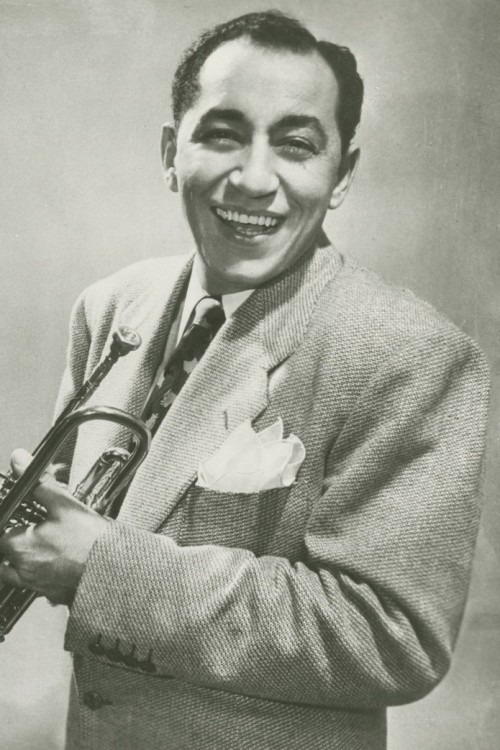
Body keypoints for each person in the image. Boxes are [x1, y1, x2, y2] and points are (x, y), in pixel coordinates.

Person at [0, 10, 489, 750]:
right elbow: (74, 512)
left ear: (342, 175)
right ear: (172, 153)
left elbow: (392, 636)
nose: (255, 179)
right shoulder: (112, 306)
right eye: (223, 134)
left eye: (295, 145)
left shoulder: (412, 355)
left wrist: (100, 566)